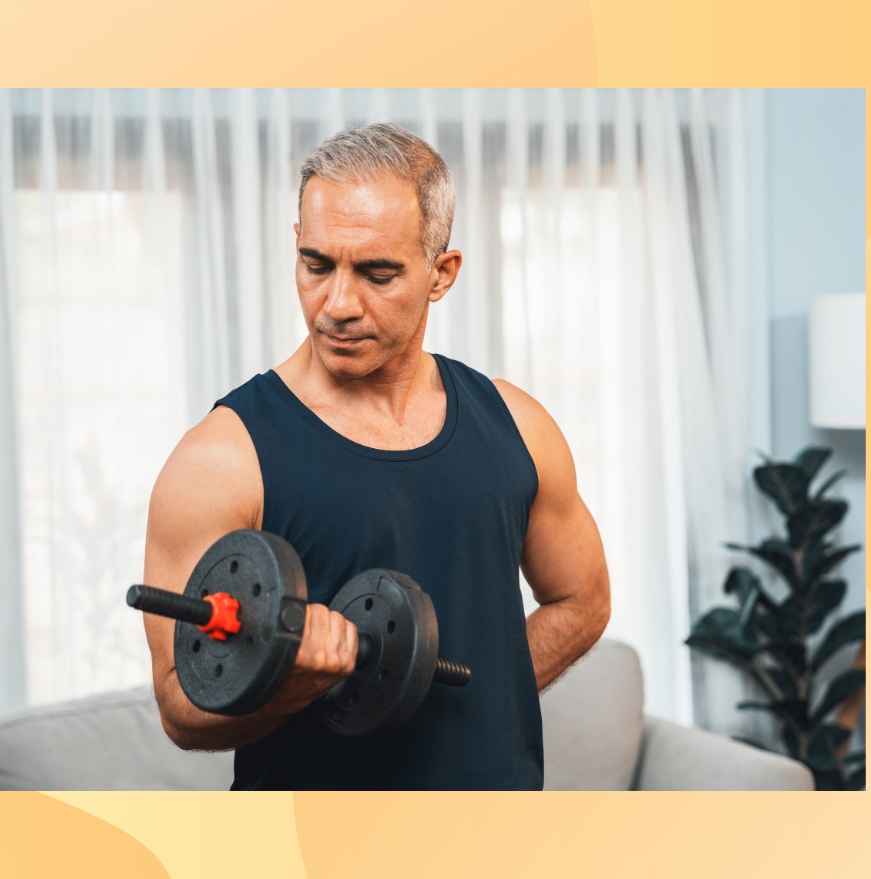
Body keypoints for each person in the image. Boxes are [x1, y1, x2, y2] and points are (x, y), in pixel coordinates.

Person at [141, 123, 610, 789]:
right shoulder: (222, 458)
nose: (337, 304)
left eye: (376, 272)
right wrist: (296, 686)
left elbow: (581, 599)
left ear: (441, 273)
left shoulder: (517, 426)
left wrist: (432, 691)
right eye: (316, 264)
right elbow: (180, 707)